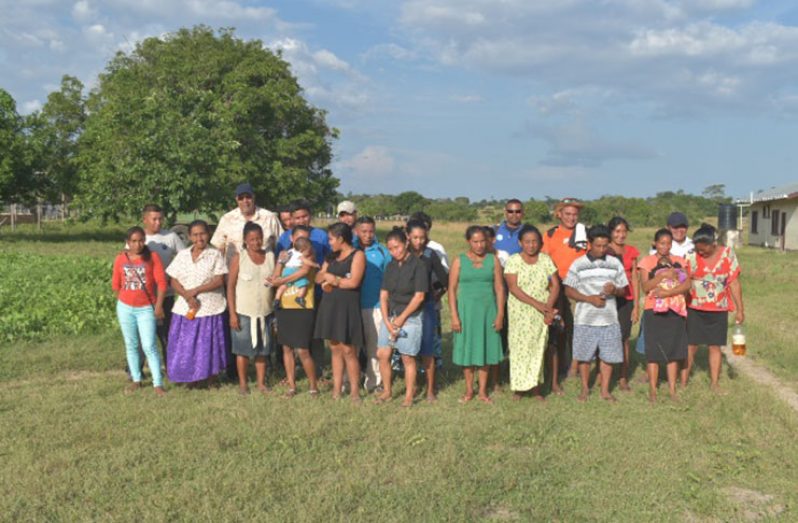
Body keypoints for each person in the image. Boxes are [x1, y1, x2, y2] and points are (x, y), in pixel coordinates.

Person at [563, 225, 628, 403]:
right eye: (598, 245)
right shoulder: (579, 264)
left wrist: (614, 289)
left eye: (605, 245)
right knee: (584, 357)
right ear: (589, 243)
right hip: (585, 319)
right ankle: (585, 389)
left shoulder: (615, 263)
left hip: (609, 319)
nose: (601, 249)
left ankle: (605, 391)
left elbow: (624, 290)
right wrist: (588, 298)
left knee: (608, 356)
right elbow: (568, 290)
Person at [166, 220, 229, 386]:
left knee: (208, 345)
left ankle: (210, 378)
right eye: (195, 234)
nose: (199, 238)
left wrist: (195, 291)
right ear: (189, 236)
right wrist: (187, 296)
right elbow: (173, 280)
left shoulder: (214, 254)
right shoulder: (182, 255)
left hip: (209, 307)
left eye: (202, 233)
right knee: (186, 344)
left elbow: (219, 280)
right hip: (185, 307)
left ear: (208, 234)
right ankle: (190, 378)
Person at [682, 224, 744, 392]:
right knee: (691, 345)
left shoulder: (728, 255)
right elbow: (683, 281)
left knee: (715, 346)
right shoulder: (690, 256)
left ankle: (714, 383)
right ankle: (682, 382)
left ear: (713, 244)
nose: (700, 253)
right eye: (698, 250)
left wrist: (740, 310)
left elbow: (734, 283)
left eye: (704, 250)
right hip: (694, 308)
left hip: (719, 310)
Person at [449, 226, 505, 404]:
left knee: (485, 349)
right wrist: (454, 316)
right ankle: (468, 390)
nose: (479, 245)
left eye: (482, 241)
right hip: (466, 312)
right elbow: (451, 289)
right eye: (475, 242)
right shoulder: (459, 261)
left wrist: (500, 315)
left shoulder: (493, 260)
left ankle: (482, 391)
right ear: (468, 242)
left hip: (488, 311)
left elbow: (499, 288)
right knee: (468, 351)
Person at [504, 225, 559, 401]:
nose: (531, 245)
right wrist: (538, 304)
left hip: (541, 313)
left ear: (540, 243)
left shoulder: (546, 260)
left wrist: (548, 308)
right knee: (519, 349)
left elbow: (555, 285)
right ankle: (519, 389)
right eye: (527, 242)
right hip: (520, 311)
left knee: (538, 348)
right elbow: (513, 288)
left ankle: (536, 389)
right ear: (520, 242)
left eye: (535, 241)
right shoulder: (513, 260)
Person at [112, 226, 168, 396]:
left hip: (146, 309)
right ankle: (136, 379)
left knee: (149, 345)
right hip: (125, 307)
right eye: (134, 241)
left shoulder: (152, 257)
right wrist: (124, 302)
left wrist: (158, 306)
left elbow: (162, 283)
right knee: (131, 345)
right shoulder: (121, 259)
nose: (138, 244)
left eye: (141, 240)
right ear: (128, 243)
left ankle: (157, 383)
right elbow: (116, 284)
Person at [376, 227, 428, 406]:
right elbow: (383, 295)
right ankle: (387, 391)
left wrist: (401, 319)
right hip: (391, 315)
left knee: (407, 357)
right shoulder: (390, 266)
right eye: (390, 249)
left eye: (397, 247)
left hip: (411, 317)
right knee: (382, 354)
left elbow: (419, 296)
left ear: (406, 243)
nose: (395, 252)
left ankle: (408, 396)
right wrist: (387, 320)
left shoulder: (419, 265)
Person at [314, 223, 366, 402]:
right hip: (330, 304)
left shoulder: (357, 255)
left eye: (331, 239)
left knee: (349, 349)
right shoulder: (331, 257)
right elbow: (318, 277)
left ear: (341, 239)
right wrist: (331, 278)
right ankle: (336, 389)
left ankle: (354, 392)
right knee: (335, 347)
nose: (329, 243)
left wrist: (333, 279)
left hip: (347, 306)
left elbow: (354, 282)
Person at [638, 229, 691, 402]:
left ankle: (672, 390)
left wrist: (669, 293)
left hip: (675, 310)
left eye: (668, 243)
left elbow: (687, 284)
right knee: (653, 352)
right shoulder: (647, 261)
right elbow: (645, 287)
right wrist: (664, 276)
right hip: (653, 310)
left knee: (673, 351)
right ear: (655, 243)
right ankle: (653, 390)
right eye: (661, 243)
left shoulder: (679, 261)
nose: (665, 246)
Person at [266, 226, 319, 398]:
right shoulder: (285, 254)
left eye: (305, 238)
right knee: (286, 348)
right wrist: (279, 264)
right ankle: (291, 386)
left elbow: (303, 272)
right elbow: (276, 276)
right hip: (285, 306)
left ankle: (313, 385)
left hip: (303, 307)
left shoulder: (309, 255)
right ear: (292, 239)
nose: (302, 242)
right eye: (298, 238)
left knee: (302, 349)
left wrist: (280, 281)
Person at [541, 197, 588, 391]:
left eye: (575, 214)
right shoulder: (551, 234)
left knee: (577, 327)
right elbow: (544, 260)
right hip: (557, 286)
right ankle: (559, 366)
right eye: (567, 214)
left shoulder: (584, 233)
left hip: (579, 286)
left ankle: (575, 367)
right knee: (559, 327)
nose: (571, 218)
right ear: (559, 214)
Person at [227, 222, 276, 395]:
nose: (256, 243)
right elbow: (230, 287)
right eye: (252, 239)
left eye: (258, 239)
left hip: (265, 312)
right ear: (245, 240)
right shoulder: (239, 258)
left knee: (262, 351)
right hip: (243, 312)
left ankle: (261, 384)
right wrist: (232, 313)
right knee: (242, 351)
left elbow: (275, 282)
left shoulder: (270, 256)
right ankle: (243, 384)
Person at [406, 219, 448, 402]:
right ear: (408, 237)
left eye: (422, 237)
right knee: (408, 349)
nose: (419, 241)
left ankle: (431, 389)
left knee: (427, 348)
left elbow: (445, 279)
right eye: (415, 237)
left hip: (427, 306)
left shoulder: (431, 255)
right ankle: (412, 386)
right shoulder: (402, 253)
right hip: (406, 308)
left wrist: (437, 294)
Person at [140, 204, 185, 361]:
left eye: (160, 219)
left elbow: (184, 258)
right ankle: (134, 371)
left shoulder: (171, 237)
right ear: (145, 219)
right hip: (143, 297)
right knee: (142, 336)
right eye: (154, 219)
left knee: (167, 334)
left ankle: (171, 366)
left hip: (166, 295)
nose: (158, 223)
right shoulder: (138, 239)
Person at [355, 216, 391, 393]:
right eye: (364, 231)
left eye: (371, 231)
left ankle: (374, 382)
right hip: (352, 305)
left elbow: (389, 278)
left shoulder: (383, 252)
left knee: (374, 347)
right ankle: (349, 381)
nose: (368, 235)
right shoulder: (349, 248)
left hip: (375, 305)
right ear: (356, 231)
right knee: (351, 348)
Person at [606, 216, 640, 391]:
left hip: (626, 299)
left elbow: (634, 277)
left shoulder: (631, 251)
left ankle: (623, 377)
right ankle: (603, 376)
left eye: (624, 231)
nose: (620, 235)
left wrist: (636, 305)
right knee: (605, 336)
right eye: (617, 231)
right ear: (611, 232)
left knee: (624, 338)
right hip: (608, 299)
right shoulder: (604, 249)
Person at [211, 182, 282, 262]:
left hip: (264, 270)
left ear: (253, 197)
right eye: (241, 198)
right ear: (236, 199)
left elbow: (281, 245)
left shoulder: (269, 218)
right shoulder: (226, 219)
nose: (245, 201)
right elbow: (219, 248)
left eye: (248, 197)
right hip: (233, 271)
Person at [273, 237, 318, 308]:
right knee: (303, 284)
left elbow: (281, 261)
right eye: (308, 251)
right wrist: (315, 265)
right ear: (302, 250)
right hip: (295, 270)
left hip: (286, 270)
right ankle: (299, 297)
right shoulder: (301, 255)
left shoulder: (290, 251)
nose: (309, 252)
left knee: (283, 286)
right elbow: (306, 264)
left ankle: (277, 298)